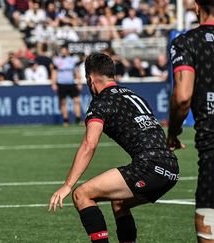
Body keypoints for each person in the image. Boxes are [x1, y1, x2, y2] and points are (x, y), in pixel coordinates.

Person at [49, 53, 179, 243]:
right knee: (119, 203)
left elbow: (89, 144)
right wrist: (172, 141)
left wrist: (67, 185)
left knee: (81, 194)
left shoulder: (101, 102)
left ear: (91, 79)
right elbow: (151, 130)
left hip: (149, 167)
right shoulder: (135, 96)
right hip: (171, 169)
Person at [168, 1, 214, 242]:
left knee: (208, 221)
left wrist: (173, 133)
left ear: (197, 7)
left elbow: (183, 97)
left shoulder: (187, 42)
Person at [51, 46, 81, 126]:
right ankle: (66, 120)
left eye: (64, 50)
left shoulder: (72, 60)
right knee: (63, 102)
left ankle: (78, 119)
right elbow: (54, 72)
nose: (63, 52)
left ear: (67, 51)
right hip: (61, 83)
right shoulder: (57, 60)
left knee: (77, 100)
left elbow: (77, 71)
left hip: (71, 83)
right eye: (62, 51)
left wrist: (79, 82)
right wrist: (53, 83)